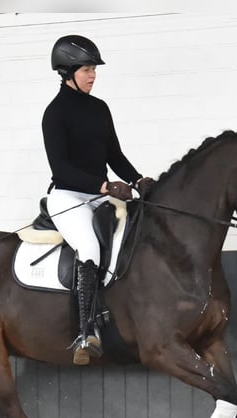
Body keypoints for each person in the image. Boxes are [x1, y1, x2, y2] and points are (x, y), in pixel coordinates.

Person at [42, 34, 155, 366]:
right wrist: (104, 186)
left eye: (93, 69)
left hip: (99, 194)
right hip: (68, 197)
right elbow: (60, 168)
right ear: (68, 71)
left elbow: (114, 155)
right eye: (87, 69)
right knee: (89, 248)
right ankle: (85, 331)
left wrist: (136, 180)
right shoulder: (55, 113)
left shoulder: (100, 108)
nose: (93, 75)